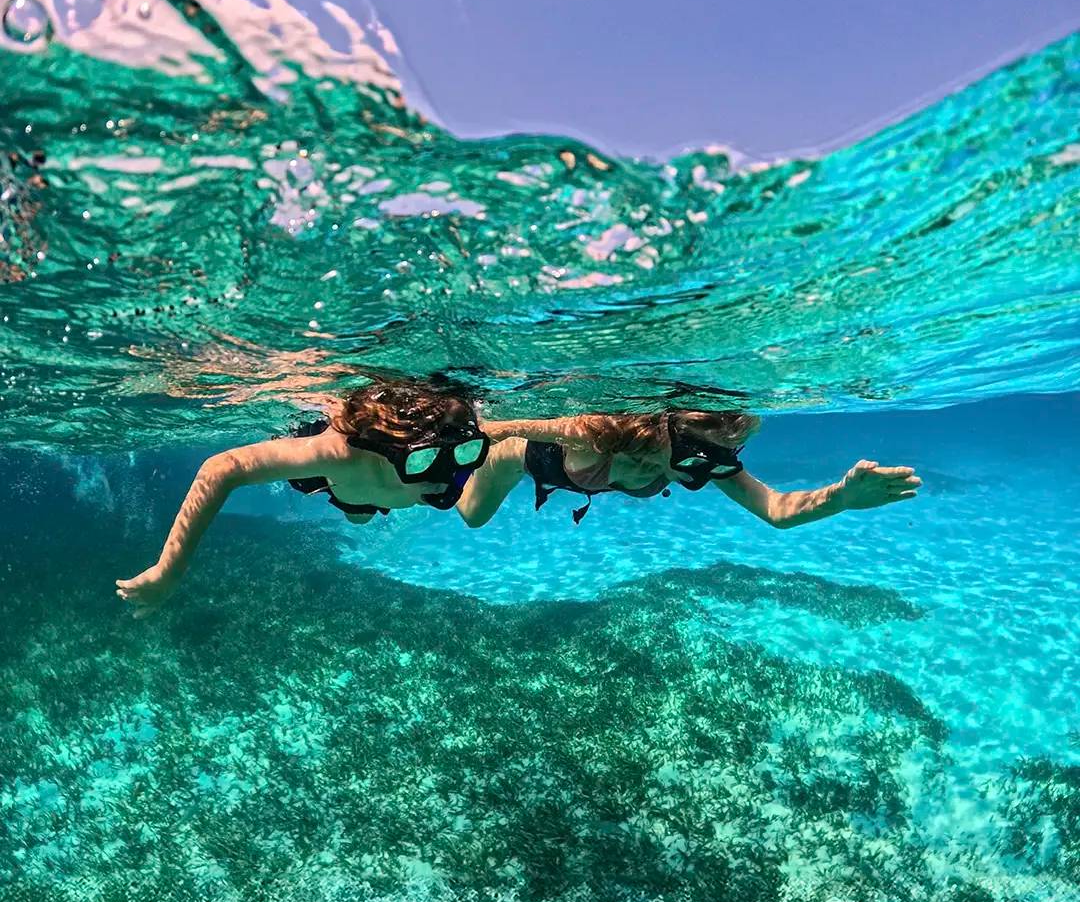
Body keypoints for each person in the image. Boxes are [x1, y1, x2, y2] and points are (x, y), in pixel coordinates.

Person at [115, 373, 490, 617]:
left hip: (369, 493)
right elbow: (221, 468)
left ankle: (363, 505)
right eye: (425, 463)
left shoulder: (451, 452)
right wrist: (169, 570)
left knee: (362, 513)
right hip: (347, 485)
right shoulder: (341, 454)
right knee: (356, 510)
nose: (446, 481)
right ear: (393, 451)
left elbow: (503, 433)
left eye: (464, 458)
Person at [452, 405, 922, 530]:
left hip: (583, 477)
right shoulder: (602, 432)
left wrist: (840, 498)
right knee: (471, 516)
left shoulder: (703, 463)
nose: (706, 469)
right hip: (520, 460)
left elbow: (777, 510)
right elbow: (500, 427)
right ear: (669, 437)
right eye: (699, 455)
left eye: (723, 458)